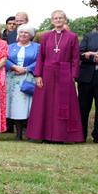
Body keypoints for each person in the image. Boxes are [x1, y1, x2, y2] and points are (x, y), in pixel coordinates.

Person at [26, 10, 83, 143]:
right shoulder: (46, 36)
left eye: (60, 18)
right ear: (52, 21)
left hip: (65, 73)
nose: (58, 20)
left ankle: (60, 136)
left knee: (61, 104)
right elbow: (41, 57)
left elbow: (75, 58)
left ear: (65, 20)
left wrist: (73, 76)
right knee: (44, 104)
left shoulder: (72, 37)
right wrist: (38, 75)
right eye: (55, 18)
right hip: (46, 73)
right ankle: (42, 135)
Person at [6, 24, 39, 140]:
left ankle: (30, 133)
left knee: (29, 106)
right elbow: (4, 59)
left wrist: (26, 69)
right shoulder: (10, 47)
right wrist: (14, 67)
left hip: (29, 78)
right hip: (12, 79)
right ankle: (18, 134)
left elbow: (40, 60)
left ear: (31, 35)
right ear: (18, 34)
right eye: (21, 32)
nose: (23, 34)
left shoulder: (37, 47)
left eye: (26, 33)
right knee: (16, 106)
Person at [77, 23, 98, 142]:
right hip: (86, 78)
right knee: (83, 107)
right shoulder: (88, 36)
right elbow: (80, 53)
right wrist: (93, 57)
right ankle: (81, 135)